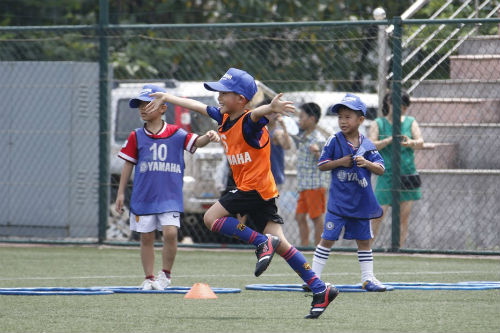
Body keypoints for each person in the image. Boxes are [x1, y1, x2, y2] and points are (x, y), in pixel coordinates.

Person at [146, 68, 338, 319]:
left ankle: (261, 242)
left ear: (241, 100)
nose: (218, 97)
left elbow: (257, 114)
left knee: (210, 218)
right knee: (282, 244)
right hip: (263, 192)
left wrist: (270, 107)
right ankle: (320, 288)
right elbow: (195, 105)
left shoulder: (248, 122)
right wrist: (166, 97)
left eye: (224, 93)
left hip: (253, 189)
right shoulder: (224, 118)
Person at [115, 84, 220, 290]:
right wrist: (120, 193)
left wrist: (208, 137)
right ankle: (149, 277)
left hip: (169, 195)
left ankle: (166, 275)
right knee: (146, 236)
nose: (143, 109)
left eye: (148, 104)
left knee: (170, 232)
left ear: (163, 108)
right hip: (144, 196)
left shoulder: (176, 133)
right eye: (140, 105)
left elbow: (196, 142)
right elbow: (128, 164)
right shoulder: (136, 136)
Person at [312, 93, 387, 292]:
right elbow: (322, 164)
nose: (343, 121)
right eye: (340, 117)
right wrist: (341, 162)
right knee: (327, 239)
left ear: (361, 120)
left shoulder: (367, 145)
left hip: (361, 204)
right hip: (338, 204)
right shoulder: (333, 141)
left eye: (348, 117)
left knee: (364, 241)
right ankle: (313, 278)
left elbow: (381, 168)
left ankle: (368, 278)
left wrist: (367, 163)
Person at [368, 91, 424, 247]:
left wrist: (410, 142)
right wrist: (389, 139)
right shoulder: (378, 123)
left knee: (403, 217)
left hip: (406, 173)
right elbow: (371, 144)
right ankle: (366, 248)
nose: (400, 108)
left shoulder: (410, 122)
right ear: (389, 104)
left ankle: (398, 248)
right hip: (386, 174)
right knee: (377, 214)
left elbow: (420, 141)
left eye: (404, 106)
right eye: (396, 104)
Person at [295, 103, 329, 247]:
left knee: (316, 217)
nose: (299, 120)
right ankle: (305, 246)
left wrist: (317, 153)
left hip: (315, 184)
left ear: (312, 119)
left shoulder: (319, 139)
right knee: (299, 216)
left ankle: (319, 247)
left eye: (302, 117)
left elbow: (326, 160)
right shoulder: (303, 136)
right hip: (304, 184)